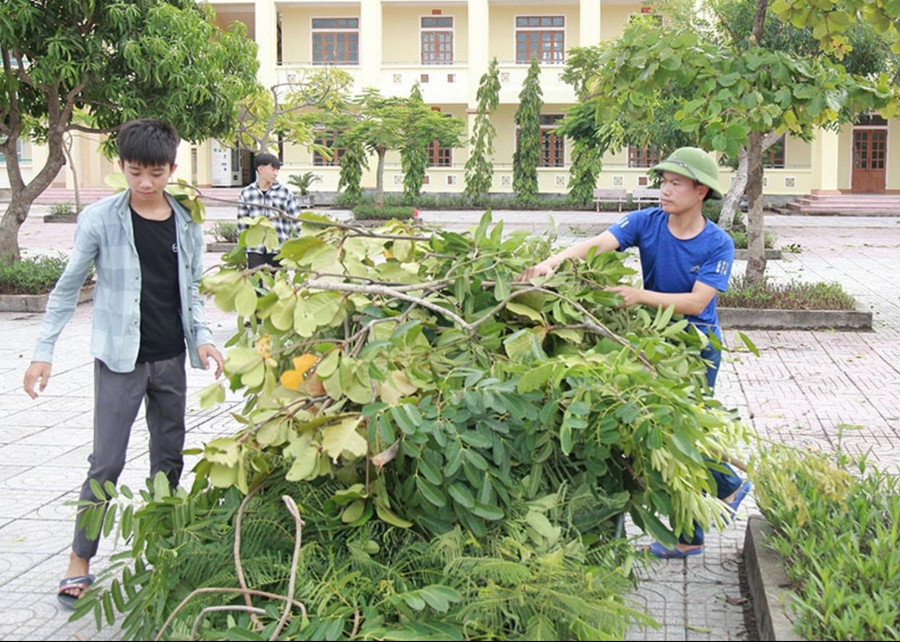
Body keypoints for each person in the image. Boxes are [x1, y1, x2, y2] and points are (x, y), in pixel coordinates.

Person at [22, 118, 225, 608]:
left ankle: (163, 550)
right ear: (123, 167)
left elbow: (191, 292)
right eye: (135, 172)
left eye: (156, 173)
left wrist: (203, 340)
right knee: (106, 462)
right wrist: (42, 352)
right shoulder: (100, 220)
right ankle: (79, 561)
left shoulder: (187, 222)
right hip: (119, 360)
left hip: (169, 359)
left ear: (173, 168)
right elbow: (68, 287)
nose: (146, 183)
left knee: (169, 457)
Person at [519, 146, 753, 559]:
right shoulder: (647, 222)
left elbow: (697, 304)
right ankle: (693, 532)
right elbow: (598, 243)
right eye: (663, 182)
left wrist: (637, 296)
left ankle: (726, 488)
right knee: (663, 434)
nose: (664, 190)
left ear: (700, 191)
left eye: (675, 183)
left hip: (695, 346)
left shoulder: (718, 243)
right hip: (655, 341)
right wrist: (551, 262)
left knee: (679, 432)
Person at [237, 153, 303, 269]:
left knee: (278, 283)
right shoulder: (246, 193)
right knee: (255, 283)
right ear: (260, 169)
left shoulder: (284, 192)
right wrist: (242, 249)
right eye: (272, 170)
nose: (275, 173)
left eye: (277, 170)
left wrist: (302, 243)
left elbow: (297, 219)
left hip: (278, 246)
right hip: (255, 248)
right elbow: (242, 223)